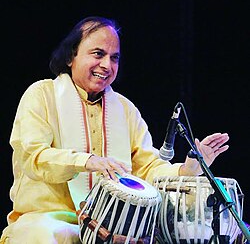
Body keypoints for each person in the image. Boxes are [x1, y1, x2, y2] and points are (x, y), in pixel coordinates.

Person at [0, 16, 229, 243]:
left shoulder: (125, 109)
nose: (107, 65)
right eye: (98, 54)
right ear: (71, 56)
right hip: (49, 220)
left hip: (112, 228)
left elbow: (147, 169)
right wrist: (86, 161)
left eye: (114, 58)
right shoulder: (42, 95)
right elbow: (33, 156)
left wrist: (187, 170)